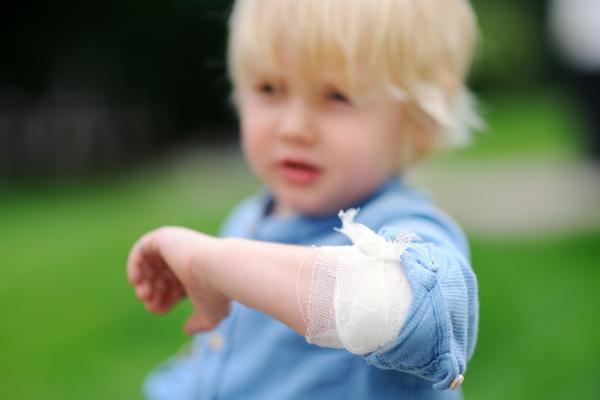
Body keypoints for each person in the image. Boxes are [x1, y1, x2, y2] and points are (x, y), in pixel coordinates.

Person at [127, 0, 481, 398]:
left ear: (419, 122)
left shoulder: (402, 228)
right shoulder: (248, 219)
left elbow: (418, 315)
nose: (294, 128)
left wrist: (211, 262)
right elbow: (230, 365)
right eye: (269, 88)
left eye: (337, 96)